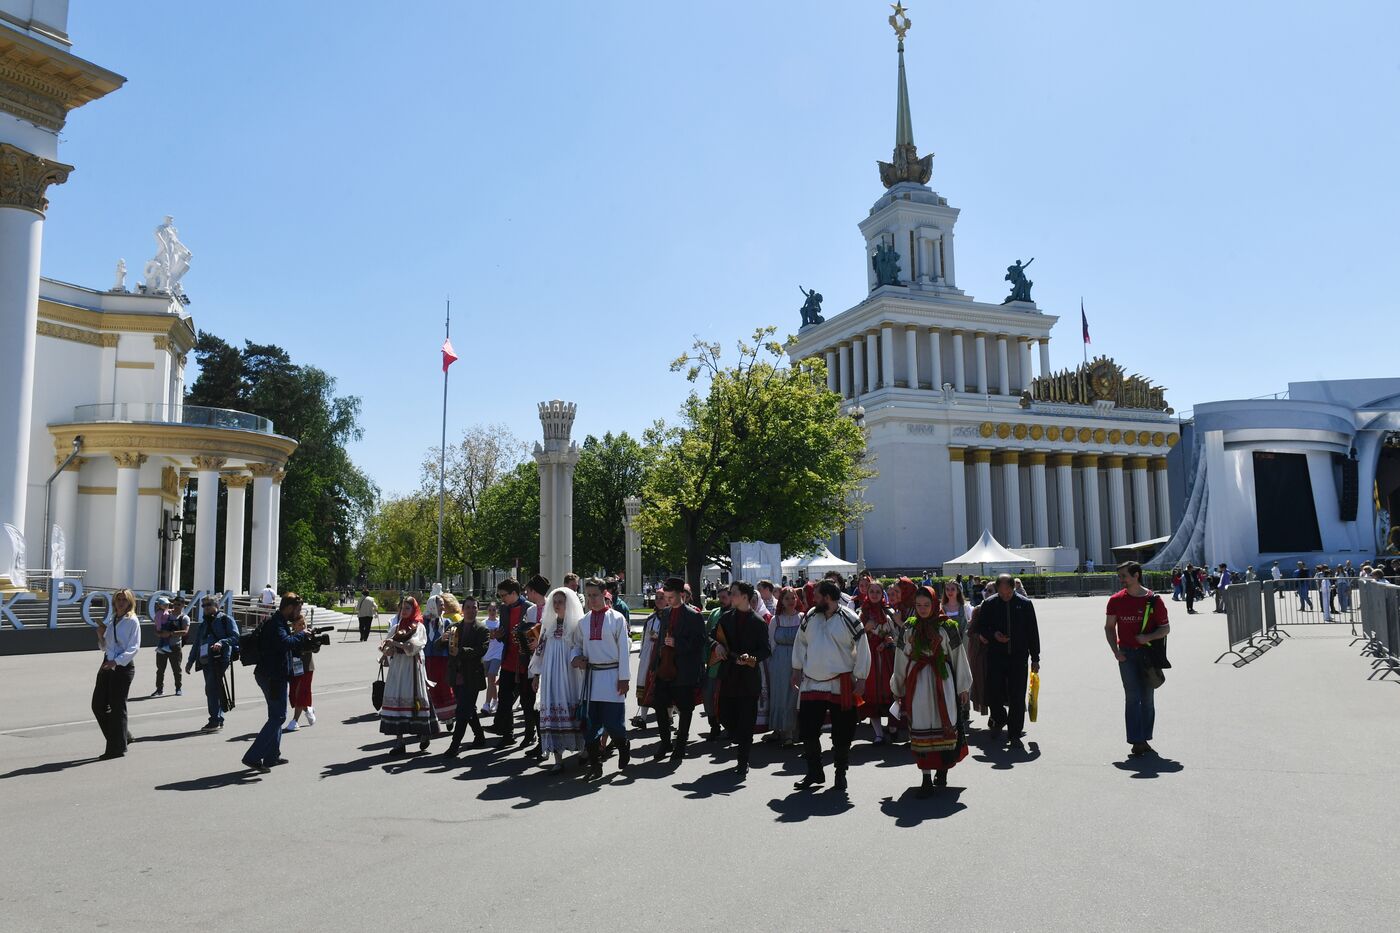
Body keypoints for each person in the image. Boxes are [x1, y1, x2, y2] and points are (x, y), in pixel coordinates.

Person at [791, 580, 870, 792]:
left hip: (840, 683)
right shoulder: (810, 616)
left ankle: (840, 774)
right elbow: (801, 642)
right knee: (808, 730)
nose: (812, 599)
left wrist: (861, 678)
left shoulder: (849, 618)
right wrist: (797, 668)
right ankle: (814, 772)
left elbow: (863, 647)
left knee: (842, 732)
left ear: (828, 597)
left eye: (816, 596)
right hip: (812, 683)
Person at [891, 586, 971, 796]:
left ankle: (943, 769)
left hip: (942, 681)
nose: (923, 609)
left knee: (943, 723)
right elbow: (900, 659)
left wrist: (962, 686)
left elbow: (958, 656)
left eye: (927, 605)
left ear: (935, 604)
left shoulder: (947, 627)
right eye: (918, 605)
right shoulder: (909, 628)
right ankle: (926, 777)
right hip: (917, 683)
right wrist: (898, 687)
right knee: (921, 724)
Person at [243, 593, 314, 773]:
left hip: (271, 674)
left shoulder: (277, 622)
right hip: (272, 676)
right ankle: (252, 757)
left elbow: (283, 645)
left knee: (275, 715)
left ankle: (272, 756)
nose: (298, 613)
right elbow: (284, 643)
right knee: (278, 717)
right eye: (297, 609)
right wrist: (301, 635)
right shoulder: (276, 624)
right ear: (289, 607)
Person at [1105, 561, 1170, 758]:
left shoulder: (1153, 600)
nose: (1121, 580)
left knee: (1147, 699)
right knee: (1132, 697)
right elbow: (1109, 627)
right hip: (1126, 654)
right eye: (1120, 576)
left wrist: (1147, 638)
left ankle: (1144, 737)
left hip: (1147, 655)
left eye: (1124, 576)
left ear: (1136, 576)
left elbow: (1165, 628)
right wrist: (1115, 651)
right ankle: (1136, 740)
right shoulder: (1115, 600)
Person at [972, 574, 1041, 750]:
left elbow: (1033, 632)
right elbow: (982, 627)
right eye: (1002, 593)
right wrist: (993, 634)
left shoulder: (1025, 604)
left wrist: (1035, 657)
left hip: (1018, 657)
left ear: (1013, 589)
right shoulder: (990, 604)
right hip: (996, 655)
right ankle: (999, 719)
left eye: (1008, 593)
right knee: (994, 692)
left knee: (1017, 696)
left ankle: (1015, 733)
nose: (1005, 596)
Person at [572, 578, 632, 780]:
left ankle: (623, 745)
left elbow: (624, 650)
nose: (591, 599)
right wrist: (575, 657)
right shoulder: (583, 621)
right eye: (588, 595)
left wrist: (624, 678)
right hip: (590, 679)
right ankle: (595, 764)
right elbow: (576, 645)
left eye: (595, 595)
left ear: (604, 594)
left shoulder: (617, 619)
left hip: (612, 676)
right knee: (590, 725)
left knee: (613, 723)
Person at [711, 581, 772, 780]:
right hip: (728, 676)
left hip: (748, 679)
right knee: (726, 716)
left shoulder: (758, 622)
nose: (730, 595)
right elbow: (712, 637)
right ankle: (739, 738)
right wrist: (716, 646)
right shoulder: (726, 618)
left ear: (745, 596)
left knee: (746, 722)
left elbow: (765, 650)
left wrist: (749, 659)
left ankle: (743, 760)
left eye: (733, 593)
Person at [646, 577, 707, 764]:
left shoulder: (693, 615)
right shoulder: (664, 613)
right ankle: (665, 742)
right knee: (659, 705)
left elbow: (700, 642)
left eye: (671, 597)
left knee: (685, 708)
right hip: (664, 668)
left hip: (684, 670)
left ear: (681, 595)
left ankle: (680, 744)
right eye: (666, 597)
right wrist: (654, 665)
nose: (668, 600)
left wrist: (678, 643)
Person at [529, 587, 586, 772]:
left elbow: (581, 650)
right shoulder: (548, 627)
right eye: (555, 601)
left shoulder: (576, 627)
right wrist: (537, 675)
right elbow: (540, 653)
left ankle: (584, 749)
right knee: (552, 711)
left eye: (560, 601)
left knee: (574, 709)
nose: (557, 605)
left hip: (570, 677)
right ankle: (557, 759)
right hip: (551, 676)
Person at [491, 576, 545, 749]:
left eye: (504, 595)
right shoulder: (505, 609)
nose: (502, 599)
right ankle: (508, 734)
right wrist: (500, 636)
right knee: (504, 698)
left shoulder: (529, 608)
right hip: (508, 660)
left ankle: (531, 734)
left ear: (514, 593)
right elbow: (507, 633)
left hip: (525, 662)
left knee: (527, 701)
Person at [379, 596, 436, 755]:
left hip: (412, 668)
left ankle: (424, 733)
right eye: (402, 608)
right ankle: (399, 741)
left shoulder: (418, 627)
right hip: (397, 669)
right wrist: (385, 649)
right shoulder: (396, 627)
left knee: (415, 698)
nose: (404, 611)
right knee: (396, 700)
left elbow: (413, 648)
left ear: (414, 610)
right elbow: (389, 649)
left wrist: (394, 644)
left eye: (407, 608)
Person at [92, 587, 140, 760]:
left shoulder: (132, 621)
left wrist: (116, 662)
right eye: (118, 599)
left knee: (117, 708)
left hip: (122, 668)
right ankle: (123, 736)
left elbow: (134, 648)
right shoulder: (114, 619)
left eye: (124, 599)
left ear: (130, 602)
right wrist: (101, 636)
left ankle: (116, 748)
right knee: (97, 705)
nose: (121, 602)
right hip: (107, 664)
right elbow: (107, 647)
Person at [444, 594, 490, 757]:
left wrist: (461, 651)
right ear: (462, 610)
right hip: (456, 675)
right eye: (468, 607)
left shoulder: (482, 629)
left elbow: (481, 650)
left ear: (478, 610)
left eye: (474, 607)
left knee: (462, 711)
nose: (471, 610)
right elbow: (438, 646)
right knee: (468, 708)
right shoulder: (454, 627)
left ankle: (454, 746)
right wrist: (442, 639)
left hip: (472, 676)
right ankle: (479, 736)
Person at [186, 595, 238, 732]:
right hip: (205, 660)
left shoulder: (225, 619)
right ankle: (217, 719)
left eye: (208, 604)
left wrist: (221, 642)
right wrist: (190, 661)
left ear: (216, 605)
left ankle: (215, 720)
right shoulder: (203, 624)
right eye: (203, 605)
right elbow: (197, 643)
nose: (206, 607)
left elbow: (235, 637)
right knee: (213, 689)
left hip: (220, 659)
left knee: (211, 688)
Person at [858, 581, 899, 744]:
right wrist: (866, 629)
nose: (874, 594)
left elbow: (896, 635)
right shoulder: (862, 613)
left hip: (887, 657)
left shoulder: (888, 612)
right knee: (872, 694)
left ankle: (892, 726)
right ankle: (878, 733)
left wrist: (889, 640)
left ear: (883, 594)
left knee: (890, 691)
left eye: (877, 591)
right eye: (872, 591)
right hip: (870, 657)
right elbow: (855, 637)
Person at [766, 586, 804, 747]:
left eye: (793, 597)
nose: (791, 601)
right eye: (787, 598)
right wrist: (771, 665)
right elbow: (771, 643)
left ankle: (791, 731)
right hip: (779, 662)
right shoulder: (776, 620)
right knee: (779, 694)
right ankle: (778, 728)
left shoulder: (802, 618)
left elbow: (805, 642)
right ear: (781, 600)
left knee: (794, 696)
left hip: (797, 660)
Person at [943, 579, 980, 720]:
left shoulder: (965, 608)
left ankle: (965, 708)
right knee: (949, 676)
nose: (950, 592)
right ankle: (953, 706)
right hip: (947, 648)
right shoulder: (942, 608)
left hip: (963, 647)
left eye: (953, 589)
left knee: (963, 674)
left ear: (958, 591)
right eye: (947, 589)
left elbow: (971, 624)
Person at [702, 585, 732, 741]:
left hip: (730, 665)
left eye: (724, 597)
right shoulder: (714, 613)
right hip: (714, 662)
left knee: (726, 697)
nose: (721, 600)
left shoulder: (736, 614)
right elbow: (707, 636)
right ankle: (713, 724)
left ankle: (729, 726)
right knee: (708, 695)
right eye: (719, 597)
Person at [422, 596, 457, 727]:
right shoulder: (423, 622)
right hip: (427, 660)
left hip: (442, 660)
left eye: (443, 605)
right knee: (430, 689)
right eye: (440, 605)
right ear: (432, 606)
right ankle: (433, 718)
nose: (443, 607)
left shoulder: (446, 623)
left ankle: (449, 717)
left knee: (445, 687)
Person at [632, 598, 665, 729]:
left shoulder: (670, 617)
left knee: (664, 685)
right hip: (648, 654)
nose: (658, 600)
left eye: (661, 597)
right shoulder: (651, 618)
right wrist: (643, 653)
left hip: (664, 655)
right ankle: (643, 717)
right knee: (644, 682)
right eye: (656, 597)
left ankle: (669, 717)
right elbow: (644, 637)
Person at [284, 611, 318, 731]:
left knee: (301, 693)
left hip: (307, 667)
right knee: (293, 694)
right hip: (294, 668)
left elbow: (315, 649)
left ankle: (295, 721)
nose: (302, 626)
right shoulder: (290, 637)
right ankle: (308, 709)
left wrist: (314, 641)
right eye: (299, 624)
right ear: (293, 626)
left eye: (304, 624)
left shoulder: (308, 635)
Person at [148, 595, 187, 697]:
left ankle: (178, 688)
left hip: (175, 647)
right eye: (174, 604)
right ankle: (159, 689)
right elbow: (157, 628)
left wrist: (170, 634)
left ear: (183, 605)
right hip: (162, 646)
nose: (176, 606)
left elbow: (185, 631)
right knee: (160, 670)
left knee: (177, 669)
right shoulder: (166, 614)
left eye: (179, 604)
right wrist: (159, 633)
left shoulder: (184, 617)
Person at [481, 602, 502, 715]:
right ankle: (495, 700)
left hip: (497, 655)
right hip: (486, 655)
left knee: (491, 678)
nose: (492, 612)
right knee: (491, 680)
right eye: (490, 610)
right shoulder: (484, 623)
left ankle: (486, 704)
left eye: (494, 610)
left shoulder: (500, 623)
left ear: (497, 611)